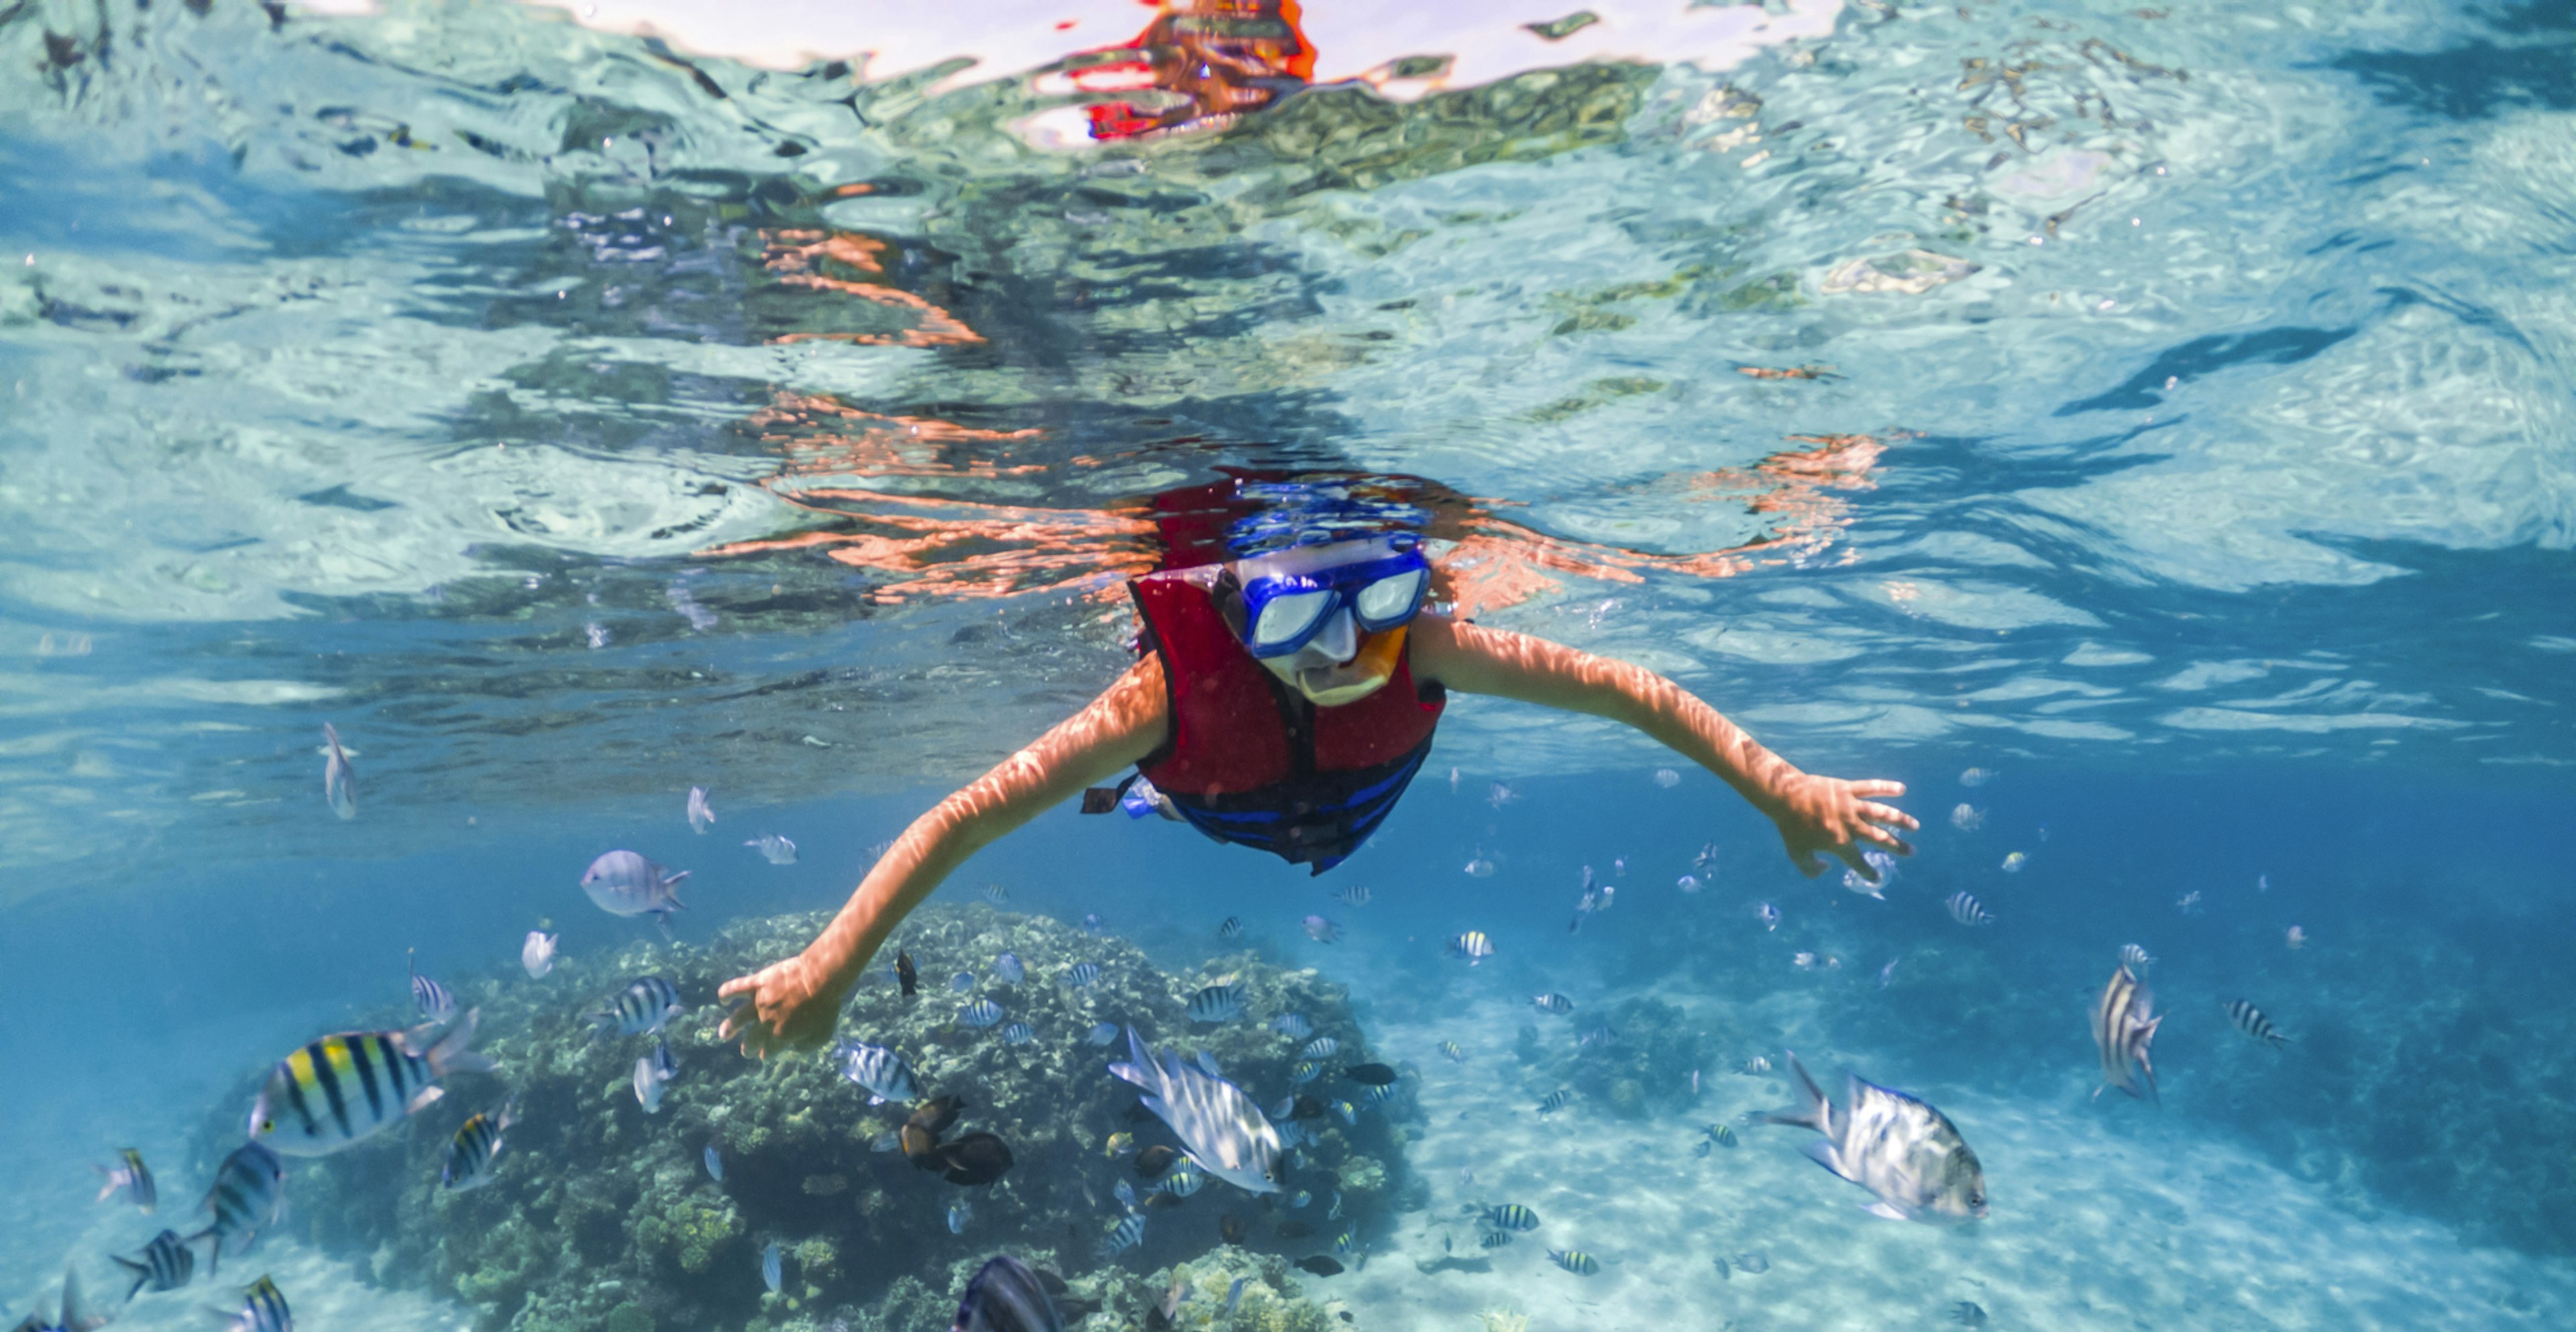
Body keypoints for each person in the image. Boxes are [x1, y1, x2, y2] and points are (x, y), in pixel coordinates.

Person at [719, 479, 1915, 1057]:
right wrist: (832, 967)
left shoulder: (1431, 645)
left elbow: (1623, 692)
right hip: (1213, 802)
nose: (1347, 654)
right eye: (1297, 622)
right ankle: (1146, 796)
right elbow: (962, 821)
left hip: (1361, 806)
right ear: (1235, 617)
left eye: (1379, 604)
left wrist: (1782, 787)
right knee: (1148, 783)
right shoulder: (1161, 696)